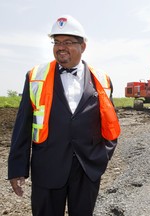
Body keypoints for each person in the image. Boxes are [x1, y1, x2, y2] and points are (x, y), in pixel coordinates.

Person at [7, 15, 120, 216]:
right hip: (47, 168)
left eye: (68, 42)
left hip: (87, 169)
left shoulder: (102, 79)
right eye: (57, 42)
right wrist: (17, 168)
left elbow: (110, 122)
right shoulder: (35, 76)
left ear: (83, 46)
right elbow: (22, 126)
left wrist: (102, 156)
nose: (61, 47)